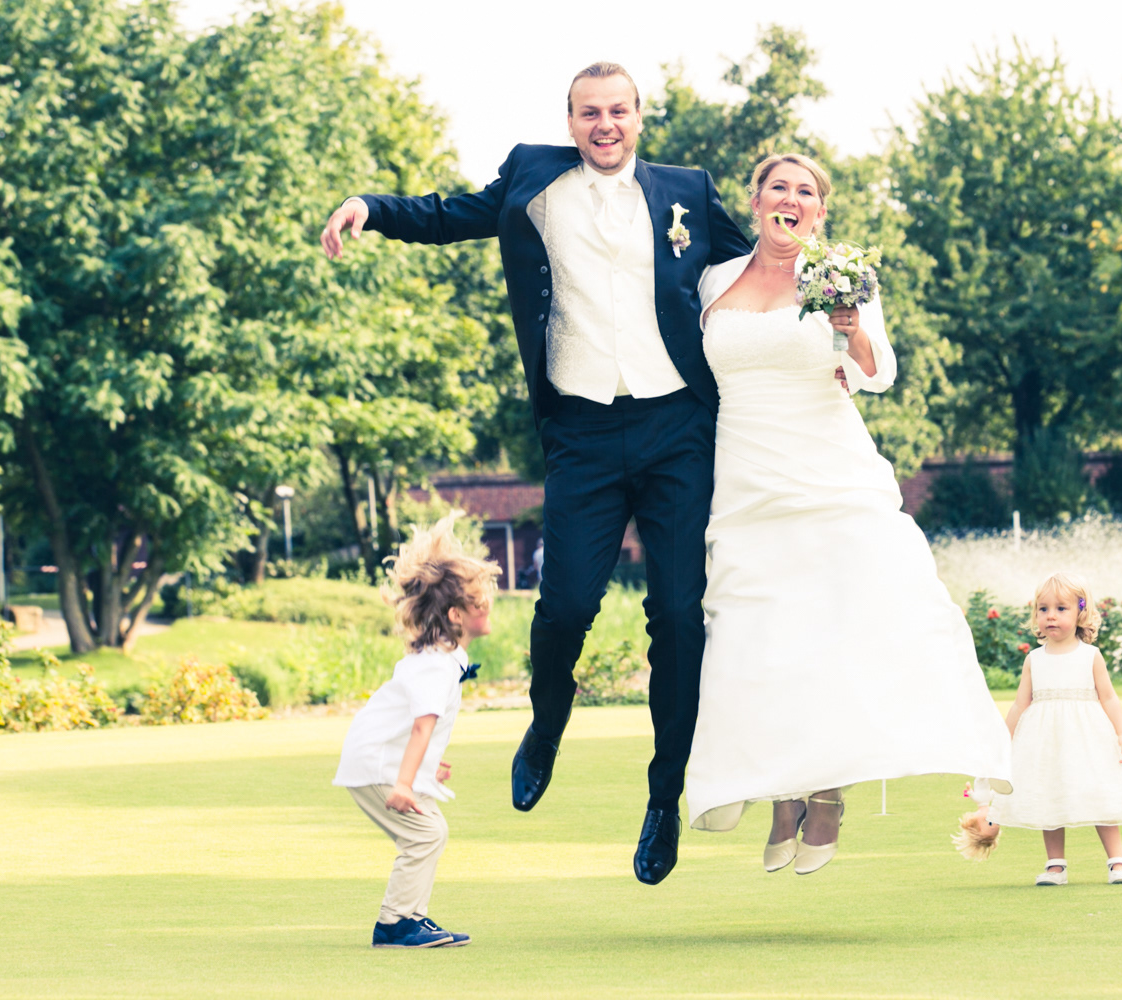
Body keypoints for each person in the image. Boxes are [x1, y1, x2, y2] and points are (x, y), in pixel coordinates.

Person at [321, 63, 753, 885]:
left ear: (639, 117)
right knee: (564, 610)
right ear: (571, 120)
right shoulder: (532, 177)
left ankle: (664, 798)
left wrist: (829, 296)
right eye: (590, 113)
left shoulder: (687, 190)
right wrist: (370, 208)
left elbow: (754, 269)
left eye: (618, 111)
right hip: (582, 431)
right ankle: (547, 721)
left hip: (676, 428)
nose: (605, 125)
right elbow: (449, 214)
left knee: (678, 619)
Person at [684, 153, 1013, 875]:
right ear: (755, 201)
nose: (790, 199)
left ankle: (828, 794)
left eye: (805, 191)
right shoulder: (712, 278)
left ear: (820, 210)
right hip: (744, 477)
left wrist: (852, 327)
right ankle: (782, 787)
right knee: (757, 636)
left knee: (839, 628)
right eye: (778, 187)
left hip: (828, 470)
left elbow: (877, 372)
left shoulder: (842, 276)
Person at [332, 513, 499, 947]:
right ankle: (394, 923)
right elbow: (423, 726)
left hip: (380, 758)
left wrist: (426, 768)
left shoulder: (441, 659)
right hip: (375, 764)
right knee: (425, 833)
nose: (487, 608)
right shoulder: (436, 666)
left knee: (430, 832)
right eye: (478, 603)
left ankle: (409, 919)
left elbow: (416, 726)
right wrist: (405, 784)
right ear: (455, 615)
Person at [987, 571, 1122, 885]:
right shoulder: (1034, 659)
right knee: (1049, 792)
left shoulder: (1091, 656)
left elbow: (1109, 697)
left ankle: (1117, 861)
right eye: (1043, 609)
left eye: (1060, 608)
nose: (1050, 616)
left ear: (1080, 612)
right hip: (1045, 741)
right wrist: (1004, 738)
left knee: (1098, 791)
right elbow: (1020, 703)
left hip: (1088, 739)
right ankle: (1055, 865)